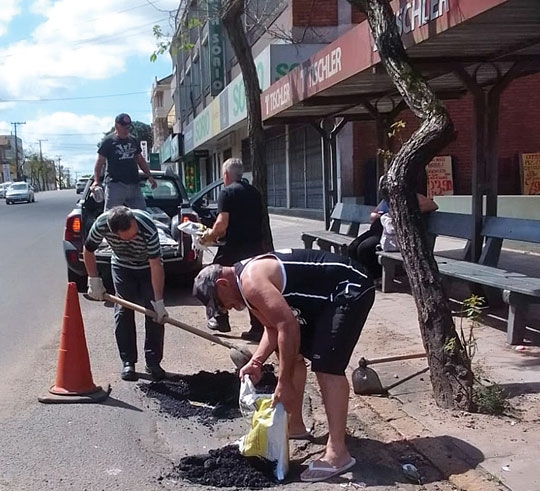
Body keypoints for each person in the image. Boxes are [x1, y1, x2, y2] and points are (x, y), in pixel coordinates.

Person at [193, 249, 376, 482]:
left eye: (220, 303)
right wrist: (256, 361)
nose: (225, 308)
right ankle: (295, 425)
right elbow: (272, 328)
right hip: (324, 294)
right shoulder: (243, 282)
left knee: (327, 366)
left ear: (222, 283)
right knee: (292, 353)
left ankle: (337, 453)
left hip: (349, 286)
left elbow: (287, 326)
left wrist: (284, 382)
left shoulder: (250, 282)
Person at [83, 206, 168, 382]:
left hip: (148, 267)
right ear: (115, 233)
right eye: (127, 237)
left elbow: (156, 265)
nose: (133, 237)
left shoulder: (146, 226)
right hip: (122, 267)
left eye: (133, 233)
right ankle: (128, 361)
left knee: (154, 314)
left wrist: (159, 302)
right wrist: (94, 280)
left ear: (133, 222)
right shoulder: (101, 225)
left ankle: (153, 362)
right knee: (122, 311)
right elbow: (88, 249)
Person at [198, 157, 265, 342]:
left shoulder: (227, 193)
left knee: (211, 280)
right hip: (254, 248)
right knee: (253, 287)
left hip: (232, 248)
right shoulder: (255, 192)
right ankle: (258, 327)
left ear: (226, 175)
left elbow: (221, 224)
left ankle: (220, 319)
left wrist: (208, 237)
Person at [92, 113, 157, 211]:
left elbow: (140, 160)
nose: (126, 130)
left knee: (142, 213)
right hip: (115, 185)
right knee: (111, 215)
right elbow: (99, 162)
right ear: (116, 126)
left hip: (134, 184)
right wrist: (96, 181)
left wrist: (149, 176)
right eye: (124, 127)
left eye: (128, 127)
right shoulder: (108, 141)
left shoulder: (133, 140)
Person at [347, 199, 388, 279]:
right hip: (375, 228)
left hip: (387, 232)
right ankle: (356, 274)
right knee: (352, 247)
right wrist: (378, 215)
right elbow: (373, 215)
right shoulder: (385, 200)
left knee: (364, 248)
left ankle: (374, 276)